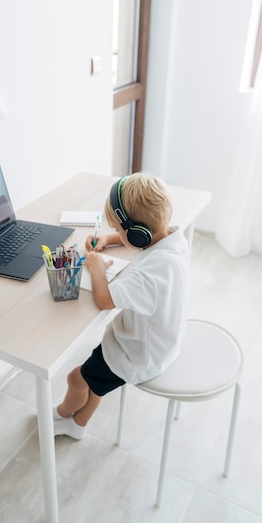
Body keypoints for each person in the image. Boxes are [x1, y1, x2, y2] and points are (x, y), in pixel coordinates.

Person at [53, 172, 190, 439]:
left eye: (117, 229)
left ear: (138, 235)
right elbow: (143, 237)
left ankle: (58, 414)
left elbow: (104, 300)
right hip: (162, 343)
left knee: (76, 378)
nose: (115, 233)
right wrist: (109, 239)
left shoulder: (151, 274)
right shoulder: (174, 240)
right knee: (96, 382)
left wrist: (96, 269)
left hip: (138, 355)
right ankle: (78, 424)